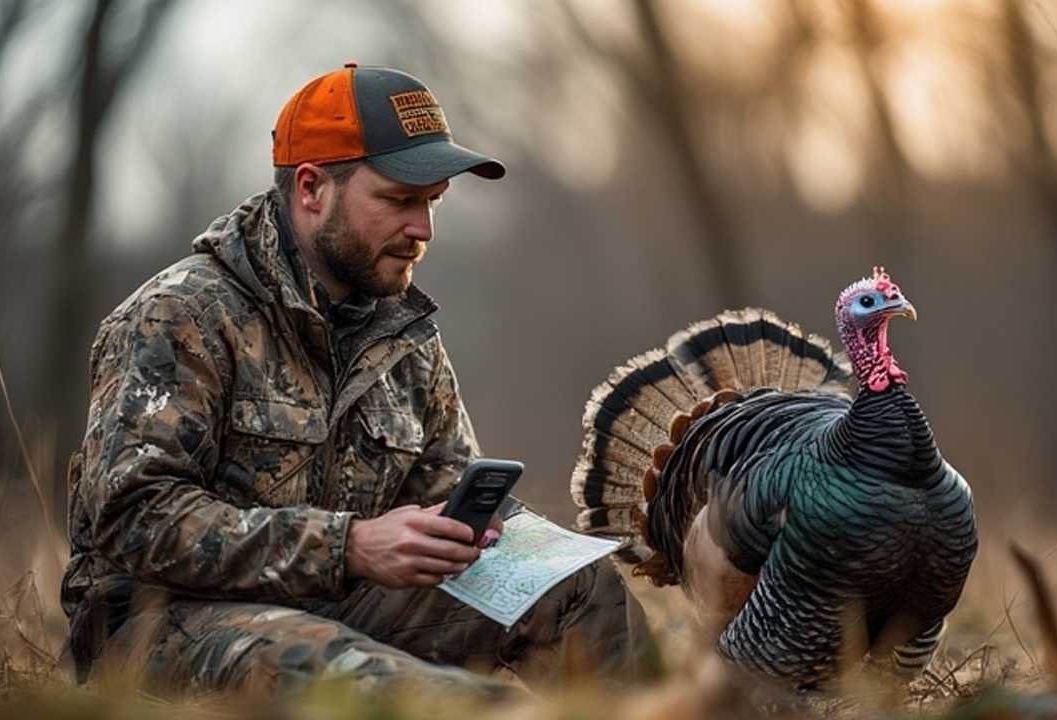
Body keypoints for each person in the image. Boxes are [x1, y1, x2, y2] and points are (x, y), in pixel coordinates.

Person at [60, 64, 652, 698]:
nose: (423, 230)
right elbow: (134, 521)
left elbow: (445, 488)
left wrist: (481, 534)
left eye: (432, 203)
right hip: (160, 627)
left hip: (339, 604)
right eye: (400, 200)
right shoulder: (180, 317)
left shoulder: (404, 336)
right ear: (313, 189)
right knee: (408, 693)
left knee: (579, 591)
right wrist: (348, 547)